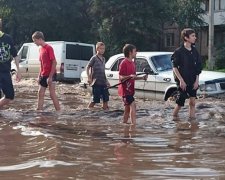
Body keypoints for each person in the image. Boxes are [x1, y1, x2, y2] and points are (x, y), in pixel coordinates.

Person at [171, 28, 202, 119]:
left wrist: (197, 81)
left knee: (192, 102)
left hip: (192, 79)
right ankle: (174, 118)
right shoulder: (178, 52)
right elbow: (174, 67)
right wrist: (181, 80)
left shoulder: (195, 51)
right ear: (186, 37)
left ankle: (192, 122)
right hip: (182, 80)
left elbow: (198, 68)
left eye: (194, 36)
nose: (195, 38)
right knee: (180, 102)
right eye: (193, 36)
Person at [118, 44, 148, 125]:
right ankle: (133, 126)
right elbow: (121, 77)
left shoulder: (132, 63)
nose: (136, 53)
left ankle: (124, 125)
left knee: (127, 110)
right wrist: (129, 76)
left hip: (130, 90)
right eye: (135, 51)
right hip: (125, 91)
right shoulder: (124, 63)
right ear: (130, 52)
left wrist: (142, 78)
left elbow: (133, 77)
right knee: (133, 105)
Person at [32, 31, 60, 111]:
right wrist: (39, 75)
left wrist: (50, 77)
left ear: (40, 39)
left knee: (52, 94)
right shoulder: (40, 49)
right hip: (43, 75)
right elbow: (41, 64)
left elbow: (54, 62)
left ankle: (59, 112)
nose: (34, 43)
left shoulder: (49, 48)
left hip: (51, 75)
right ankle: (39, 111)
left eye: (35, 41)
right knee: (40, 93)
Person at [0, 18, 21, 109]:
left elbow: (15, 55)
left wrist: (18, 71)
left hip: (5, 72)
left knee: (10, 96)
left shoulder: (7, 38)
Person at [86, 42, 110, 110]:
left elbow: (103, 72)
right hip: (96, 82)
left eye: (103, 49)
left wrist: (107, 81)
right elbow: (87, 67)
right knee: (95, 100)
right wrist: (89, 77)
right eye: (101, 48)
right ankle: (89, 110)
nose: (102, 50)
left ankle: (104, 112)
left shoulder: (103, 59)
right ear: (97, 49)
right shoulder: (94, 58)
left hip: (103, 82)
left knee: (106, 99)